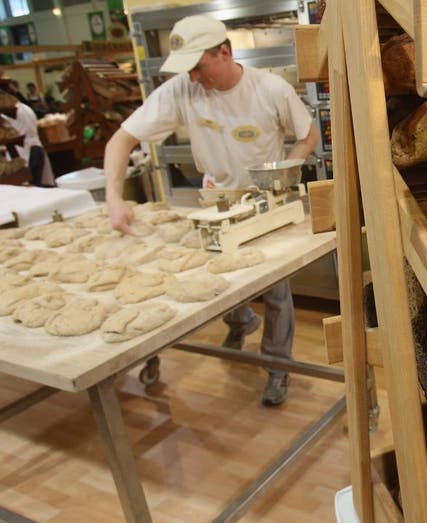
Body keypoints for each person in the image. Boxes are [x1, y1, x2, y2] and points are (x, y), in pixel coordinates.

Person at [103, 15, 320, 406]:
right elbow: (121, 140)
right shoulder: (182, 90)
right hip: (215, 199)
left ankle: (277, 367)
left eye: (199, 67)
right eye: (187, 70)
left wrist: (283, 171)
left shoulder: (269, 89)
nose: (194, 78)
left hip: (263, 199)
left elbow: (308, 135)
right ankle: (240, 322)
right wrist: (114, 199)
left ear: (225, 52)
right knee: (219, 281)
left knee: (275, 290)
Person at [1, 97, 54, 187]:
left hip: (23, 150)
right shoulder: (26, 107)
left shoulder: (8, 111)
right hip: (36, 147)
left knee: (30, 186)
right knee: (38, 184)